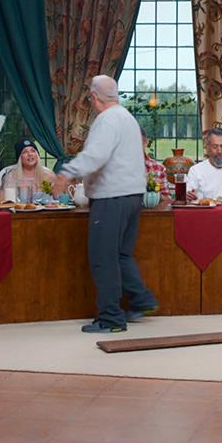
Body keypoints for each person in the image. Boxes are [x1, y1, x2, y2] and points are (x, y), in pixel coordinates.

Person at [52, 75, 158, 333]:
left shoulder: (106, 120)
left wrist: (66, 173)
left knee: (103, 257)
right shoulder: (127, 118)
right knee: (121, 254)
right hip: (132, 195)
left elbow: (96, 156)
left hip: (111, 197)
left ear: (93, 97)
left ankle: (111, 318)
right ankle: (142, 299)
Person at [141, 128, 171, 199]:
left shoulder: (158, 167)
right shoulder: (119, 168)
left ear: (146, 142)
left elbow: (166, 197)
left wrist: (153, 190)